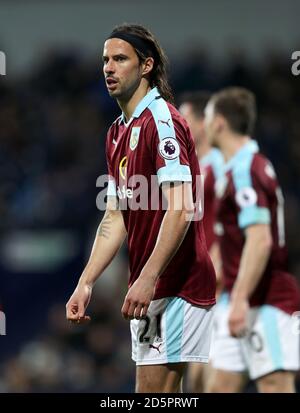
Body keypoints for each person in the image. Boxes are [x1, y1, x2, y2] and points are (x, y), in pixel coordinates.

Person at [66, 23, 216, 393]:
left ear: (146, 66)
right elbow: (115, 216)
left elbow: (181, 208)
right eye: (105, 60)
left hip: (177, 285)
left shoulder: (162, 122)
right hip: (153, 287)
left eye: (120, 59)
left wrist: (147, 278)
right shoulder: (117, 132)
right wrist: (86, 282)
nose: (109, 68)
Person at [204, 87, 300, 393]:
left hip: (266, 300)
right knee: (219, 387)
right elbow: (232, 239)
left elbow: (259, 241)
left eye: (206, 118)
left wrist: (241, 299)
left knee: (275, 386)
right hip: (241, 296)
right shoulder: (237, 169)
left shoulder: (246, 169)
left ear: (218, 122)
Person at [179, 92, 224, 392]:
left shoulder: (222, 165)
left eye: (184, 118)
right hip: (192, 284)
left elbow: (229, 227)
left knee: (212, 373)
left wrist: (216, 275)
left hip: (217, 285)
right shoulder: (189, 168)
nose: (178, 124)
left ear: (202, 122)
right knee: (192, 375)